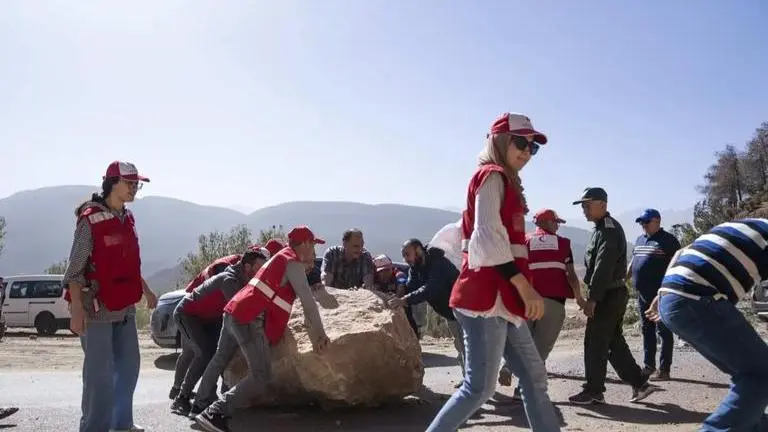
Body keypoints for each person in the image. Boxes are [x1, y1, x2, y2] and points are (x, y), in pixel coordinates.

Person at [426, 112, 559, 432]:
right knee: (480, 388)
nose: (527, 151)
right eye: (520, 142)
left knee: (534, 377)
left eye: (533, 147)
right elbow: (487, 237)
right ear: (499, 141)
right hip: (486, 298)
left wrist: (520, 288)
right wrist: (524, 287)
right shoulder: (492, 175)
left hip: (503, 299)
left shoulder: (503, 179)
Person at [195, 226, 331, 432]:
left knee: (220, 358)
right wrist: (321, 334)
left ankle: (200, 403)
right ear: (303, 244)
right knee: (262, 375)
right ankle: (215, 412)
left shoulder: (281, 258)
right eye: (313, 245)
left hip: (234, 310)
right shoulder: (291, 261)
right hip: (248, 318)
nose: (314, 251)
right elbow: (308, 302)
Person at [645, 218, 768, 431]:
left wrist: (663, 292)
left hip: (672, 298)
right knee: (759, 373)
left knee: (749, 375)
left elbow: (680, 252)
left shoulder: (749, 226)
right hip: (697, 298)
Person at [62, 161, 158, 432]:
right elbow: (75, 270)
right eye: (129, 183)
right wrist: (77, 310)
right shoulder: (90, 218)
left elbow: (126, 263)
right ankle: (94, 427)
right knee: (99, 376)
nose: (134, 189)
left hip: (124, 306)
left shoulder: (127, 218)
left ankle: (121, 423)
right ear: (112, 183)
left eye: (136, 184)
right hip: (97, 309)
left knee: (128, 368)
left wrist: (147, 290)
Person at [568, 187, 658, 405]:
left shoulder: (607, 230)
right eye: (582, 206)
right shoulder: (601, 228)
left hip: (607, 294)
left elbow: (603, 266)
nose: (584, 210)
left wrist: (593, 299)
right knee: (613, 344)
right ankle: (640, 384)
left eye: (587, 205)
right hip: (611, 293)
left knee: (595, 343)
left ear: (603, 205)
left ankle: (593, 391)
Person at [170, 247, 271, 416]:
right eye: (259, 267)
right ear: (247, 267)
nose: (262, 271)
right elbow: (240, 310)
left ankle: (205, 399)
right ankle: (182, 398)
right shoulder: (229, 279)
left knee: (220, 355)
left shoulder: (245, 279)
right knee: (204, 353)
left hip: (211, 318)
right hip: (188, 314)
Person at [498, 209, 586, 398]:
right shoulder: (562, 243)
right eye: (555, 222)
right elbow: (571, 275)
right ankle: (523, 390)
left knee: (522, 343)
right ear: (546, 223)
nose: (557, 225)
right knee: (539, 350)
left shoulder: (524, 241)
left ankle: (509, 366)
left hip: (526, 301)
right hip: (553, 303)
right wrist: (579, 298)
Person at [169, 252, 245, 401]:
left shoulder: (245, 269)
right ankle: (179, 393)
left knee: (218, 352)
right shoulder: (227, 269)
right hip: (191, 313)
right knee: (199, 353)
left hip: (212, 314)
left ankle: (209, 394)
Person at [389, 239, 464, 384]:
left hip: (464, 310)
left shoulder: (438, 264)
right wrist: (400, 291)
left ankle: (474, 384)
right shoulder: (416, 268)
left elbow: (430, 289)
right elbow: (412, 286)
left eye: (407, 254)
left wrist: (404, 300)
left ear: (418, 250)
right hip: (450, 313)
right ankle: (469, 379)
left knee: (468, 346)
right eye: (403, 256)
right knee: (460, 345)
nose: (405, 259)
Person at [628, 208, 681, 381]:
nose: (643, 225)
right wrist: (624, 277)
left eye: (646, 222)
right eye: (641, 222)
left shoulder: (669, 241)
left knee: (663, 331)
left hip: (661, 295)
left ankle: (664, 370)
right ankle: (649, 366)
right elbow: (633, 262)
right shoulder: (640, 240)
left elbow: (677, 266)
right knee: (647, 329)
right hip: (642, 294)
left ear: (657, 221)